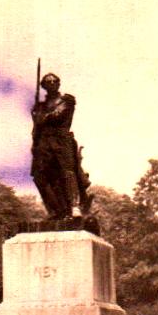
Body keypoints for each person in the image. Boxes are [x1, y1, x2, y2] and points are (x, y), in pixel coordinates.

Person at [31, 73, 93, 220]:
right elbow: (36, 128)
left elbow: (57, 115)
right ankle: (57, 210)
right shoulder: (39, 106)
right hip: (43, 143)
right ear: (44, 86)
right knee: (40, 176)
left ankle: (74, 207)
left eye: (54, 81)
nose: (51, 83)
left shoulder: (67, 100)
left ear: (58, 83)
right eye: (48, 82)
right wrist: (35, 115)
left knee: (67, 173)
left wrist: (41, 116)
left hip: (61, 140)